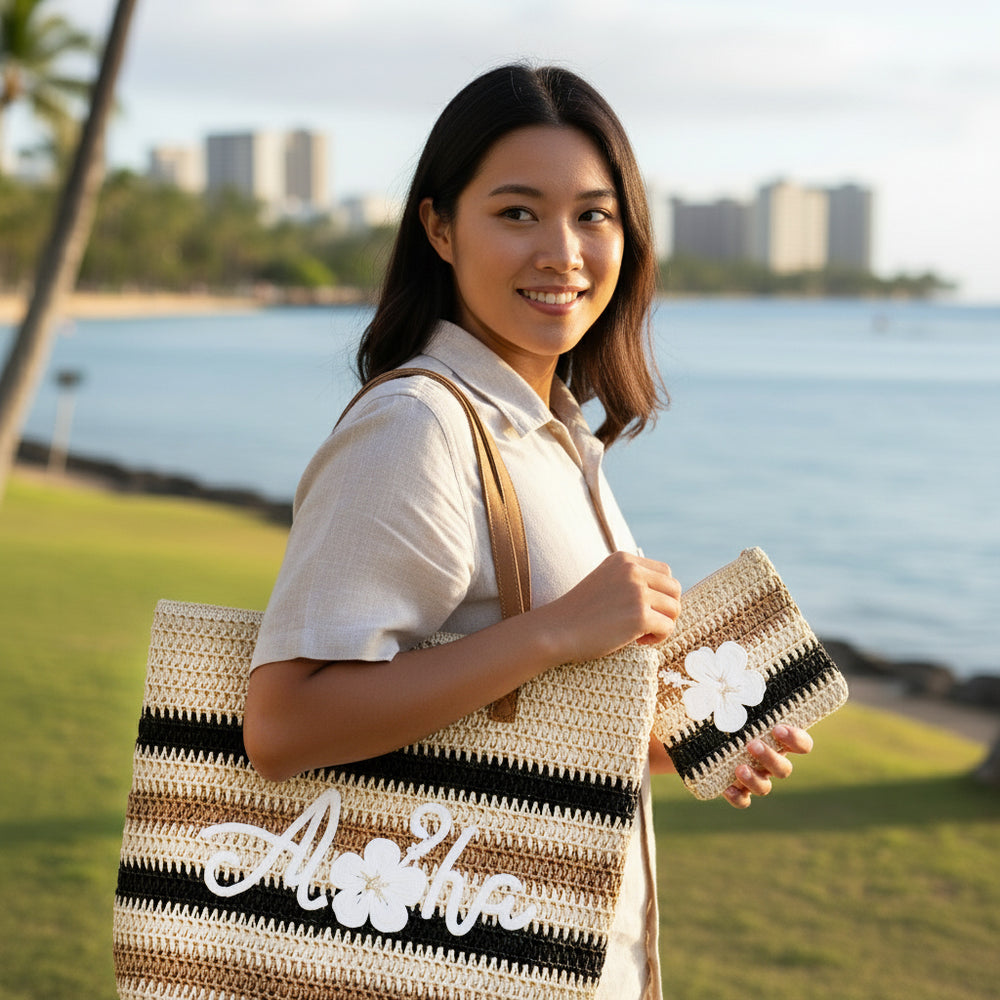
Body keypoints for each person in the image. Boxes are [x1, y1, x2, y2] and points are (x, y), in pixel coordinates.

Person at [243, 63, 814, 1000]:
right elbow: (285, 723)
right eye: (517, 213)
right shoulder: (419, 427)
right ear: (438, 228)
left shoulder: (553, 433)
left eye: (594, 215)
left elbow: (490, 697)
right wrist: (556, 629)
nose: (563, 251)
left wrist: (672, 740)